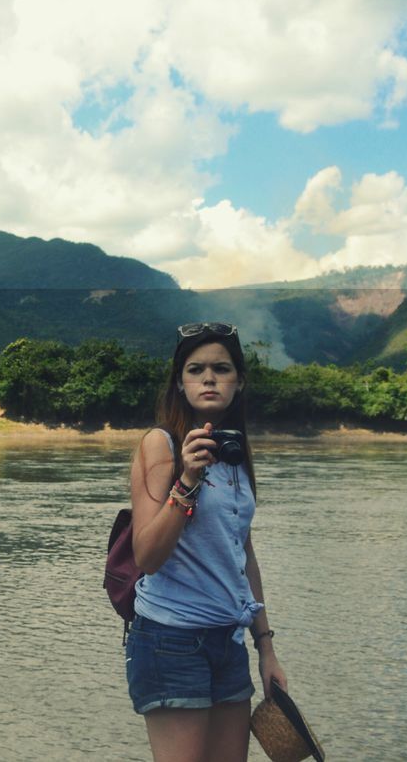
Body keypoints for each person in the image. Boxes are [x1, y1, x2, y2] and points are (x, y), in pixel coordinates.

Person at [124, 322, 287, 762]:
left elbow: (243, 556)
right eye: (196, 369)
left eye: (221, 368)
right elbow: (148, 555)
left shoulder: (234, 452)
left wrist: (266, 648)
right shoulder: (161, 446)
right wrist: (189, 479)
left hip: (228, 640)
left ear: (239, 382)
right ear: (180, 383)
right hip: (170, 640)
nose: (209, 378)